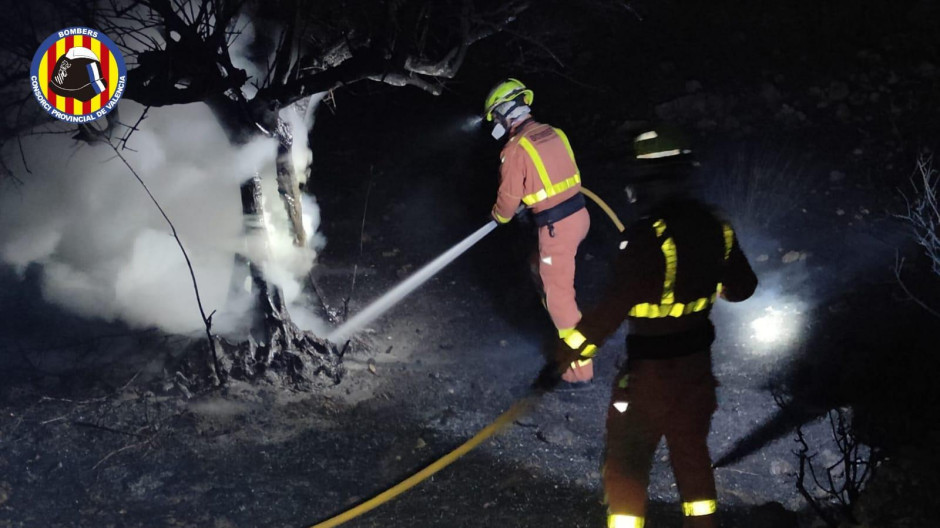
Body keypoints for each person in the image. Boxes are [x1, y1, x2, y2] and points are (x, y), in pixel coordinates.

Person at [553, 126, 758, 527]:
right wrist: (705, 284)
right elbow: (743, 288)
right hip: (696, 373)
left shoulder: (647, 236)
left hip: (648, 378)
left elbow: (613, 307)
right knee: (692, 455)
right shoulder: (717, 226)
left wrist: (569, 351)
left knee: (627, 461)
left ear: (650, 179)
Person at [482, 78, 593, 382]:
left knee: (559, 299)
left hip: (557, 228)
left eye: (495, 117)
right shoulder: (554, 133)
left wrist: (498, 217)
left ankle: (580, 374)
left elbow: (506, 204)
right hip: (579, 216)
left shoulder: (514, 149)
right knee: (539, 268)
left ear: (505, 113)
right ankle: (566, 315)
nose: (495, 124)